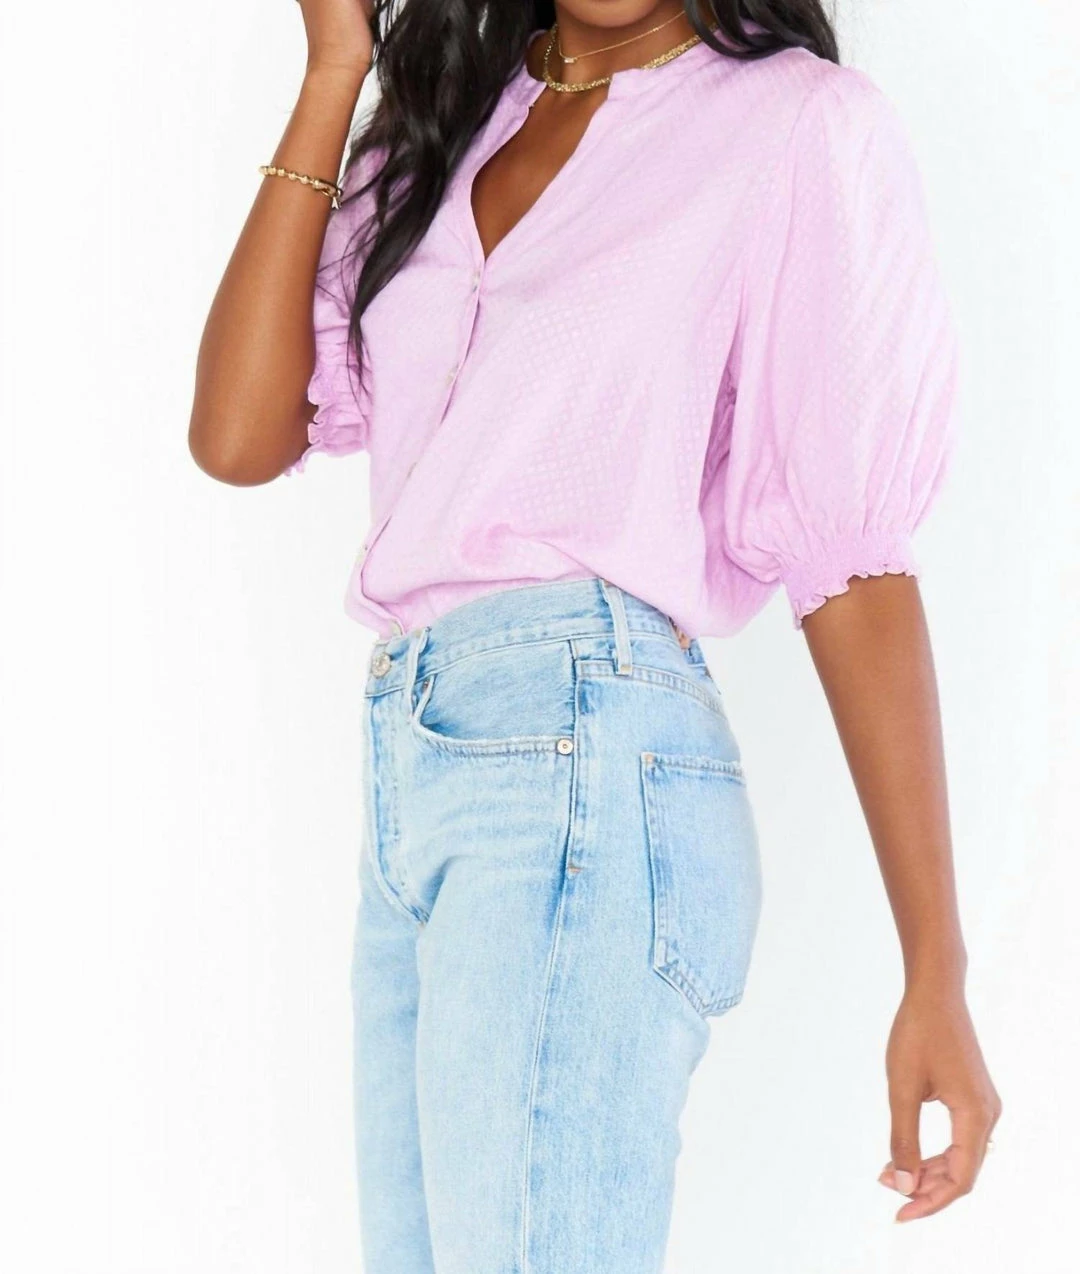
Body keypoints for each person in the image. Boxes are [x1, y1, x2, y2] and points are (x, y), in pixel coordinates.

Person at [188, 3, 1001, 1270]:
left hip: (588, 750)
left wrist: (933, 963)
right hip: (413, 772)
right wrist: (336, 69)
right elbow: (239, 435)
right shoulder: (445, 126)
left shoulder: (793, 122)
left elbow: (851, 562)